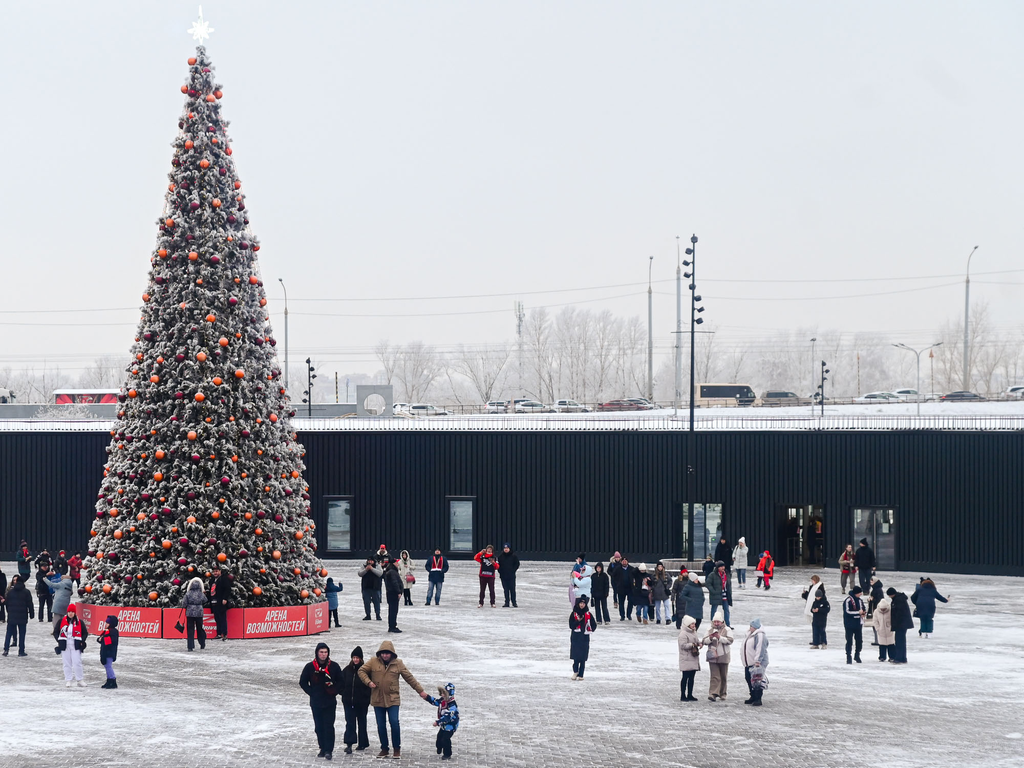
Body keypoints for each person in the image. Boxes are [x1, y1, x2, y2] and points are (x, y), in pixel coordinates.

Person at [357, 640, 430, 760]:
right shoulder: (373, 662)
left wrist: (421, 691)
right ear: (380, 653)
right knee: (381, 725)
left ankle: (397, 748)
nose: (385, 655)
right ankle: (384, 749)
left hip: (393, 699)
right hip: (378, 699)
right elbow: (361, 671)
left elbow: (409, 678)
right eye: (383, 653)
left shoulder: (398, 663)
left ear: (392, 654)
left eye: (387, 653)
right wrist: (368, 682)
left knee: (394, 722)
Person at [299, 641, 343, 760]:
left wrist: (334, 690)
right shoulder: (310, 667)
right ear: (317, 653)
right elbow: (302, 682)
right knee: (319, 727)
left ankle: (329, 750)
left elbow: (341, 681)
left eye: (325, 652)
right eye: (321, 652)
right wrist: (312, 693)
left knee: (328, 726)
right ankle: (322, 748)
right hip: (316, 702)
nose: (323, 654)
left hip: (329, 702)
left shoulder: (334, 666)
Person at [339, 646, 371, 753]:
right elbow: (340, 682)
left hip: (362, 702)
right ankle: (349, 744)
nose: (355, 660)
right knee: (350, 723)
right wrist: (343, 693)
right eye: (354, 657)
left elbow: (370, 686)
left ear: (361, 659)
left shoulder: (366, 671)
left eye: (357, 658)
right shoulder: (347, 670)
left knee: (362, 722)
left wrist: (366, 697)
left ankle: (362, 743)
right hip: (348, 702)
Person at [703, 608, 733, 700]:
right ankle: (713, 693)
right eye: (715, 622)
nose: (716, 623)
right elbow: (704, 641)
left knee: (723, 676)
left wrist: (720, 638)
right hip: (712, 656)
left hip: (724, 655)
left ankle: (723, 693)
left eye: (718, 622)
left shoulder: (727, 629)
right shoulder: (709, 629)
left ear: (721, 621)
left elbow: (730, 641)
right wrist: (711, 638)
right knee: (714, 676)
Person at [425, 683, 460, 760]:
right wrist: (427, 697)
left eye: (444, 693)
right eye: (442, 693)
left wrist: (438, 722)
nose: (442, 695)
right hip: (444, 724)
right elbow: (435, 702)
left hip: (451, 724)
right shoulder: (443, 700)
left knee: (445, 739)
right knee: (439, 738)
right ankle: (439, 747)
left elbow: (447, 717)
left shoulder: (452, 705)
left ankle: (447, 754)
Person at [57, 604, 88, 687]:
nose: (71, 613)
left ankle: (80, 679)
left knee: (77, 662)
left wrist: (82, 640)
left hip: (75, 645)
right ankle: (68, 680)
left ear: (75, 613)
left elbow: (85, 633)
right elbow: (56, 632)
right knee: (66, 663)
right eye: (69, 612)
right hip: (65, 645)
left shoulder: (79, 622)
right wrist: (59, 640)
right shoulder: (61, 621)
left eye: (72, 612)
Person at [3, 574, 33, 656]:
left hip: (12, 615)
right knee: (22, 634)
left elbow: (7, 603)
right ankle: (21, 651)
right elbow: (29, 604)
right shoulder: (26, 592)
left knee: (9, 633)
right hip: (22, 615)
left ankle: (6, 649)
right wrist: (31, 614)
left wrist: (9, 612)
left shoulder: (10, 592)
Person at [742, 618, 769, 706]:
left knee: (757, 680)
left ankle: (758, 698)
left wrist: (758, 660)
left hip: (757, 663)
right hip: (748, 662)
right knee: (748, 678)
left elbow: (760, 648)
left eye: (752, 626)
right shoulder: (750, 634)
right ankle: (752, 695)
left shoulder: (760, 635)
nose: (750, 628)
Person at [569, 595, 597, 680]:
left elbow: (594, 625)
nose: (582, 605)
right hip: (576, 638)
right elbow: (571, 625)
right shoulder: (574, 614)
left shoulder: (588, 614)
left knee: (583, 658)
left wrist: (590, 629)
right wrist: (578, 621)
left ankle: (581, 674)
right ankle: (575, 671)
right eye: (581, 603)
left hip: (584, 638)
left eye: (583, 603)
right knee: (576, 657)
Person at [677, 615, 702, 701]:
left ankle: (690, 694)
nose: (694, 625)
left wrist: (699, 643)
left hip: (693, 658)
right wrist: (692, 645)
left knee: (692, 678)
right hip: (686, 658)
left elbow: (696, 640)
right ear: (688, 624)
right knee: (685, 677)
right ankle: (683, 695)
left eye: (694, 624)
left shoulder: (693, 632)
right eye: (692, 624)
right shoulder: (683, 634)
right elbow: (682, 645)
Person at [887, 587, 913, 664]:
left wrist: (896, 624)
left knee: (899, 641)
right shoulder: (899, 598)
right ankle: (902, 657)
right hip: (902, 623)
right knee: (901, 640)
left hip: (901, 624)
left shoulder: (898, 600)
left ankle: (899, 658)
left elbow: (899, 614)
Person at [183, 577, 208, 651]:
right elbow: (205, 600)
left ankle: (190, 646)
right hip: (199, 613)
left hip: (190, 613)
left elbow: (184, 603)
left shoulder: (188, 593)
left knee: (190, 630)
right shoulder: (201, 594)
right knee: (199, 628)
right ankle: (202, 643)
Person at [843, 586, 867, 664]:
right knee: (849, 641)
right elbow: (847, 612)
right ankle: (848, 656)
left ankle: (857, 655)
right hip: (849, 624)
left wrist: (863, 613)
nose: (861, 594)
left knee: (859, 641)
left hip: (858, 624)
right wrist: (858, 613)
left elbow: (863, 609)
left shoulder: (860, 600)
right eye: (859, 593)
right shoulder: (848, 601)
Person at [48, 571, 75, 639]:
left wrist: (45, 579)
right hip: (66, 602)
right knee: (62, 617)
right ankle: (62, 629)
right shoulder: (69, 584)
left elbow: (52, 585)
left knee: (56, 617)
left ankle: (56, 630)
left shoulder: (61, 584)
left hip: (58, 602)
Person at [707, 561, 733, 628]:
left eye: (723, 566)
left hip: (725, 594)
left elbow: (729, 584)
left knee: (726, 609)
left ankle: (727, 624)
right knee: (714, 609)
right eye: (721, 566)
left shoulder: (726, 574)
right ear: (718, 567)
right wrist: (713, 591)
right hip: (716, 594)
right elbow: (708, 583)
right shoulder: (713, 575)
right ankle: (713, 624)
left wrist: (729, 592)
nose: (723, 568)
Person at [209, 566, 232, 640]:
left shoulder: (223, 579)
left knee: (222, 618)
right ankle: (218, 633)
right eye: (214, 571)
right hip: (213, 602)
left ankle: (224, 634)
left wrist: (225, 598)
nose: (215, 573)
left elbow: (228, 589)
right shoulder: (212, 580)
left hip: (221, 602)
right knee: (217, 618)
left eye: (217, 571)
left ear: (220, 572)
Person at [383, 559, 405, 633]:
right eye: (397, 562)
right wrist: (398, 592)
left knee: (392, 610)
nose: (398, 564)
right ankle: (392, 626)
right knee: (393, 610)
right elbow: (394, 582)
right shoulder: (392, 572)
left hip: (390, 593)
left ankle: (392, 625)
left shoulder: (390, 571)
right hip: (393, 593)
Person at [98, 615, 119, 689]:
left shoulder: (113, 631)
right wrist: (100, 639)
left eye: (108, 623)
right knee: (106, 666)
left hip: (110, 652)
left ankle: (112, 680)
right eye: (106, 622)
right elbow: (100, 639)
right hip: (105, 651)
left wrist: (103, 638)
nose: (106, 624)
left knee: (108, 666)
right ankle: (109, 680)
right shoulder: (106, 631)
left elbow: (111, 641)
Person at [872, 588, 894, 661]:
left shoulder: (891, 610)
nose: (883, 610)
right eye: (882, 609)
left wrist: (891, 627)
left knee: (891, 645)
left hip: (889, 630)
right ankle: (882, 657)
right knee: (882, 645)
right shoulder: (876, 612)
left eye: (884, 609)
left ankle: (892, 656)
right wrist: (878, 628)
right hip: (881, 631)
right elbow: (875, 621)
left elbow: (893, 619)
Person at [498, 543, 520, 608]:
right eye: (505, 548)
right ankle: (506, 602)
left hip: (511, 576)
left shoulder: (514, 556)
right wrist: (500, 572)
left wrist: (513, 570)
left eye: (507, 548)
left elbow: (517, 564)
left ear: (509, 549)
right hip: (503, 576)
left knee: (512, 590)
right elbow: (498, 566)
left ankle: (514, 602)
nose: (506, 549)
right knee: (506, 590)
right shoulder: (500, 557)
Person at [611, 556, 633, 621]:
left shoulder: (632, 569)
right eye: (623, 561)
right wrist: (616, 584)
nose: (624, 562)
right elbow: (613, 576)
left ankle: (629, 614)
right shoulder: (617, 569)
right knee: (621, 603)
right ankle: (622, 616)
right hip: (621, 588)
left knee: (630, 602)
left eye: (625, 561)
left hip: (629, 588)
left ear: (627, 562)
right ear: (621, 562)